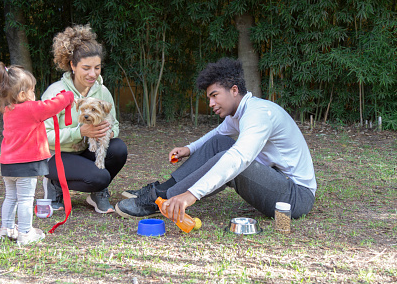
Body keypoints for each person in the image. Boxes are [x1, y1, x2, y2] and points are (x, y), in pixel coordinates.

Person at [115, 58, 316, 223]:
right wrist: (189, 148)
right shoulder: (240, 112)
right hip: (277, 182)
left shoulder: (258, 115)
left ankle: (164, 201)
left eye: (214, 96)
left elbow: (239, 159)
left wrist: (192, 194)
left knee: (232, 160)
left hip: (294, 197)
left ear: (234, 90)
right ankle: (162, 191)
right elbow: (217, 134)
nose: (211, 103)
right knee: (219, 143)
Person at [41, 24, 128, 214]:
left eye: (97, 68)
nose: (93, 74)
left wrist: (109, 131)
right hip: (57, 155)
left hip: (87, 149)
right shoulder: (56, 92)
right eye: (86, 68)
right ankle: (55, 185)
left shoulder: (102, 91)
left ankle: (96, 194)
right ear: (72, 65)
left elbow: (115, 124)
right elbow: (41, 136)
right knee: (99, 177)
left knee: (119, 148)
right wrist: (79, 132)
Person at [0, 62, 74, 245]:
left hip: (8, 165)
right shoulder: (31, 109)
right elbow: (52, 106)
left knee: (11, 197)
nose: (35, 95)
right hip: (26, 165)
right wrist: (67, 96)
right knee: (26, 199)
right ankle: (26, 233)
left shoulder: (8, 111)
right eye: (32, 91)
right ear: (22, 95)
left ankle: (7, 228)